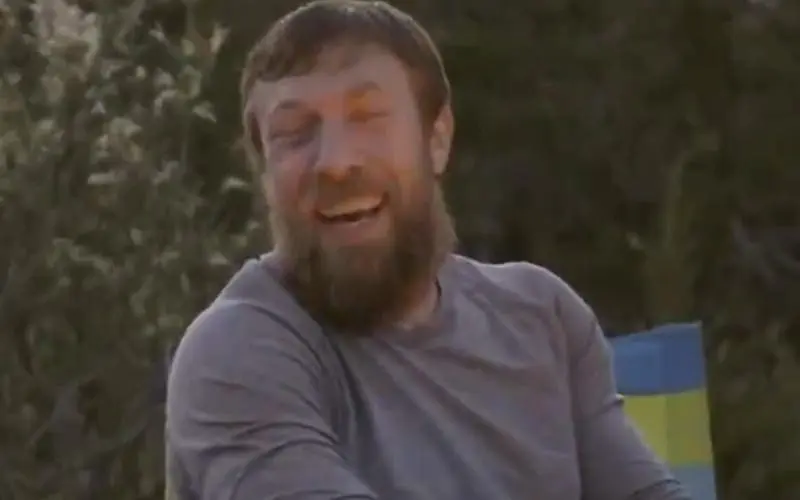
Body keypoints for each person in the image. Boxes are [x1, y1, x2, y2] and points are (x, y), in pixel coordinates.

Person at [165, 1, 693, 499]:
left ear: (436, 139)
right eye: (294, 132)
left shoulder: (543, 317)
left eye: (367, 116)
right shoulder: (238, 352)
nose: (335, 162)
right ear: (264, 174)